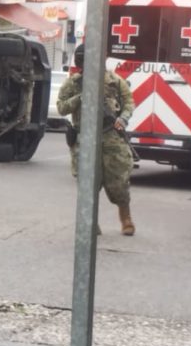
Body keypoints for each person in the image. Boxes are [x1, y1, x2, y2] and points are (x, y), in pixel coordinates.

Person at [55, 43, 136, 236]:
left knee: (118, 182)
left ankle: (126, 218)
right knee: (88, 183)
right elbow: (61, 108)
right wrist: (80, 98)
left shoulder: (114, 81)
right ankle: (90, 222)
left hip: (111, 138)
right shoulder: (73, 84)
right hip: (84, 138)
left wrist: (123, 119)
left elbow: (129, 102)